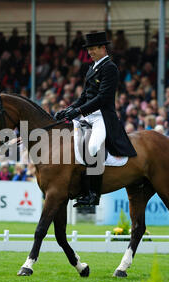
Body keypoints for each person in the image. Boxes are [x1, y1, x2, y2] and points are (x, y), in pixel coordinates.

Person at [55, 31, 137, 207]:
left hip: (102, 116)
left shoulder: (110, 68)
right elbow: (84, 95)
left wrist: (78, 111)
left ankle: (94, 193)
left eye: (93, 48)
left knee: (93, 147)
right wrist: (68, 109)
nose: (90, 52)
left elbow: (103, 98)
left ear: (102, 48)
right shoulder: (91, 68)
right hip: (88, 115)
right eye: (88, 49)